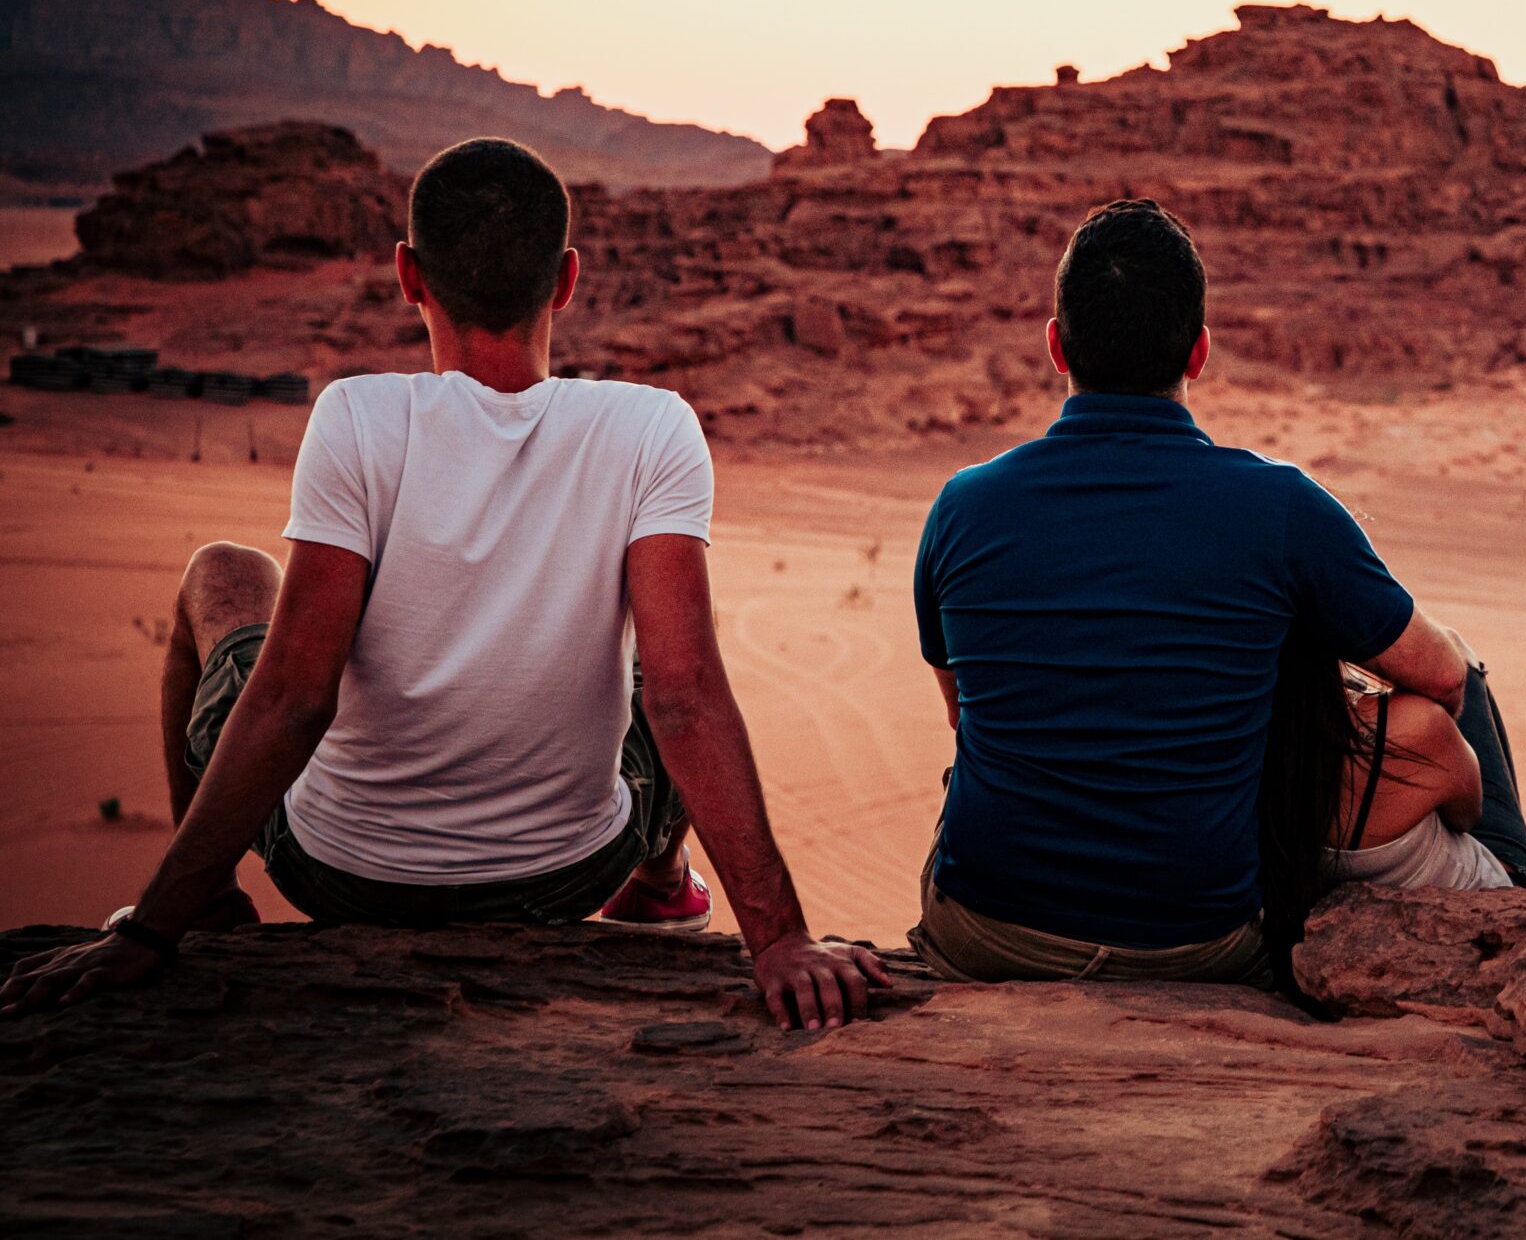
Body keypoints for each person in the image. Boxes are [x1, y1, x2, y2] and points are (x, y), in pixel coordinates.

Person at [0, 138, 886, 1030]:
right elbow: (687, 698)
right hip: (570, 874)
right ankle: (659, 886)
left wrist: (149, 932)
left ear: (409, 276)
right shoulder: (650, 426)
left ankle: (209, 904)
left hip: (338, 875)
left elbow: (292, 695)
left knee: (225, 573)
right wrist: (779, 938)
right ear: (567, 279)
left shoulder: (355, 415)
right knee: (664, 655)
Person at [909, 198, 1526, 985]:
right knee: (1462, 673)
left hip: (988, 933)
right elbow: (1444, 677)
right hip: (1196, 942)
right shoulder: (1280, 505)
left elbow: (964, 713)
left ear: (1055, 345)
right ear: (1200, 352)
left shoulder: (962, 506)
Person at [1252, 629, 1526, 964]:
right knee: (1464, 659)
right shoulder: (1414, 725)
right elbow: (1467, 815)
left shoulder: (1243, 756)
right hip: (1489, 912)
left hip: (1330, 910)